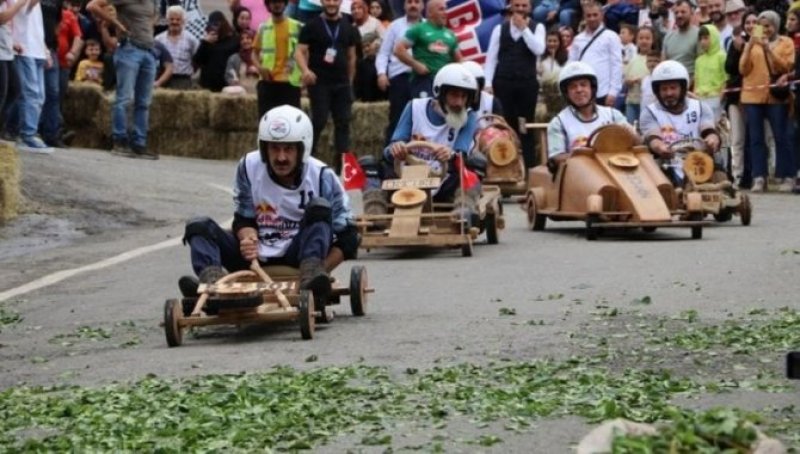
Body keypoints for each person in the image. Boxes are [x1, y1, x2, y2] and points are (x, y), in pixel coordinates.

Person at [178, 104, 359, 307]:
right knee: (198, 226)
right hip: (254, 259)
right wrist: (247, 238)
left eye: (288, 149)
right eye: (274, 148)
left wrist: (321, 272)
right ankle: (213, 286)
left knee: (319, 208)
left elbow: (349, 237)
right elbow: (243, 218)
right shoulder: (248, 167)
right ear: (264, 148)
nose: (281, 157)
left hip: (298, 257)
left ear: (302, 148)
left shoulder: (321, 176)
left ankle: (311, 277)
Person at [376, 63, 481, 222]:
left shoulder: (469, 117)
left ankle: (462, 212)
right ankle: (375, 214)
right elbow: (391, 148)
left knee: (474, 167)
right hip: (405, 180)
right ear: (440, 92)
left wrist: (451, 154)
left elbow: (462, 152)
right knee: (370, 165)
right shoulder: (414, 107)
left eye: (463, 97)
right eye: (454, 95)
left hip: (444, 182)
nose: (459, 103)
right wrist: (396, 149)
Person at [87, 0, 158, 159]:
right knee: (125, 98)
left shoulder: (153, 2)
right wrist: (115, 23)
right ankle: (120, 141)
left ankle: (139, 143)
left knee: (144, 102)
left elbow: (153, 18)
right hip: (129, 48)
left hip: (148, 51)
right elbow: (92, 5)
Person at [295, 0, 358, 169]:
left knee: (343, 122)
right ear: (322, 2)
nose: (331, 3)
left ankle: (342, 164)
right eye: (327, 0)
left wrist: (349, 81)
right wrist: (305, 71)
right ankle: (307, 157)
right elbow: (299, 52)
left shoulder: (348, 26)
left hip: (342, 83)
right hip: (320, 83)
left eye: (334, 0)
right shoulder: (311, 25)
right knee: (319, 120)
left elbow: (352, 56)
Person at [739, 10, 795, 192]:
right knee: (756, 139)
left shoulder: (785, 42)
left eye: (768, 26)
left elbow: (786, 66)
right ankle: (759, 177)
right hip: (752, 97)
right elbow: (743, 69)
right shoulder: (753, 44)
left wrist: (768, 48)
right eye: (761, 26)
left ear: (776, 26)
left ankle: (787, 176)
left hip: (775, 97)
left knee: (781, 137)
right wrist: (748, 46)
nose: (765, 30)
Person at [639, 60, 721, 186]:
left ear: (682, 88)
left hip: (698, 160)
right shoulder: (649, 112)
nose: (669, 93)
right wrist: (660, 147)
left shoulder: (701, 107)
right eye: (664, 89)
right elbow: (653, 138)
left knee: (721, 175)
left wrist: (712, 139)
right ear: (657, 91)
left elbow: (708, 129)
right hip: (667, 163)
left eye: (673, 88)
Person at [484, 0, 545, 168]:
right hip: (504, 83)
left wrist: (524, 29)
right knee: (506, 125)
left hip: (527, 84)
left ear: (530, 8)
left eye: (524, 6)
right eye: (517, 5)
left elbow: (538, 49)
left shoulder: (537, 27)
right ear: (511, 7)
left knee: (526, 125)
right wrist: (488, 83)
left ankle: (530, 167)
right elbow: (491, 58)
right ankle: (507, 167)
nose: (520, 9)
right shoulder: (500, 28)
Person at [546, 61, 629, 166]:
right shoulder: (559, 122)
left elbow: (635, 143)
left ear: (592, 88)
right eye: (573, 87)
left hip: (616, 171)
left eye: (583, 85)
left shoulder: (613, 115)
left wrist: (630, 133)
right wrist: (590, 154)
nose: (579, 90)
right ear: (566, 93)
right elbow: (556, 157)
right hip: (579, 176)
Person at [375, 0, 422, 144]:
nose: (413, 5)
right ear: (404, 6)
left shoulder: (429, 27)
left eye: (416, 2)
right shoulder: (395, 26)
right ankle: (389, 159)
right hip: (400, 79)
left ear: (422, 6)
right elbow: (383, 53)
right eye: (409, 2)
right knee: (397, 119)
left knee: (421, 120)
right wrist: (381, 73)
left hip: (422, 79)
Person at [394, 0, 461, 99]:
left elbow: (459, 59)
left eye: (445, 9)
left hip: (445, 81)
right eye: (441, 9)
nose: (445, 12)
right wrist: (415, 64)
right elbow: (398, 49)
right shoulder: (418, 29)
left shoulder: (450, 34)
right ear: (430, 12)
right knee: (424, 109)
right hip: (424, 80)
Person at [10, 0, 52, 153]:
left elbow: (37, 26)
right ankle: (27, 134)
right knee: (30, 93)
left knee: (40, 96)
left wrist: (45, 49)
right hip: (24, 49)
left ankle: (28, 132)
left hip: (37, 50)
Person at [253, 0, 303, 117]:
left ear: (285, 3)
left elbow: (306, 52)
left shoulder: (298, 26)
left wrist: (304, 72)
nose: (277, 4)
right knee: (266, 124)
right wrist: (260, 68)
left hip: (290, 83)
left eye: (280, 1)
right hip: (268, 82)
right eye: (273, 1)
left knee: (290, 125)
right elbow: (254, 53)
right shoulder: (263, 27)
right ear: (268, 5)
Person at [568, 1, 622, 107]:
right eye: (588, 15)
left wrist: (613, 92)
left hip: (604, 92)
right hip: (582, 92)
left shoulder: (611, 36)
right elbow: (571, 65)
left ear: (601, 15)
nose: (592, 18)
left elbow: (617, 65)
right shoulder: (578, 39)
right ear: (584, 17)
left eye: (595, 15)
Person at [724, 9, 756, 189]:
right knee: (737, 139)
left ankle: (755, 174)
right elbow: (729, 68)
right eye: (747, 23)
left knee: (756, 139)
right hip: (736, 98)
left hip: (756, 98)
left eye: (754, 22)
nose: (750, 26)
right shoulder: (736, 43)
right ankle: (737, 175)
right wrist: (737, 50)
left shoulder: (761, 44)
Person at [155, 5, 200, 90]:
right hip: (162, 80)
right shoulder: (159, 39)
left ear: (183, 21)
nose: (174, 22)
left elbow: (197, 60)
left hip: (183, 81)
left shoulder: (191, 39)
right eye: (171, 19)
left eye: (178, 19)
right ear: (167, 20)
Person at [194, 11, 240, 92]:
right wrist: (205, 43)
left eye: (217, 24)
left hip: (226, 83)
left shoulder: (233, 39)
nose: (215, 28)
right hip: (207, 84)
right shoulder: (207, 40)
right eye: (213, 25)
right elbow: (197, 60)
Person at [0, 0, 26, 143]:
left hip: (6, 52)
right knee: (2, 93)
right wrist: (18, 5)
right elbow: (2, 19)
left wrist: (12, 44)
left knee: (15, 89)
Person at [351, 0, 385, 101]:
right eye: (353, 9)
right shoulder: (352, 27)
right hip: (359, 61)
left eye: (359, 8)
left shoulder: (375, 23)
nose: (356, 11)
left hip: (374, 61)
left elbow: (385, 39)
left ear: (365, 9)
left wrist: (375, 45)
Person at [694, 24, 727, 122]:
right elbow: (697, 80)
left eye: (706, 38)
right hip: (700, 99)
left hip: (715, 98)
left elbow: (725, 80)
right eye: (700, 39)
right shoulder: (699, 60)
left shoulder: (721, 56)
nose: (702, 42)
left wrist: (719, 101)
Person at [623, 25, 656, 125]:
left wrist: (644, 82)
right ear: (636, 40)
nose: (644, 41)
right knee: (631, 129)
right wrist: (629, 82)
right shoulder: (632, 60)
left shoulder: (654, 59)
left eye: (647, 38)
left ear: (652, 40)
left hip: (649, 103)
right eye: (641, 38)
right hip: (632, 101)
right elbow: (625, 81)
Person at [662, 0, 698, 76]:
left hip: (692, 83)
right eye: (676, 13)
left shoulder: (698, 34)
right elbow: (663, 64)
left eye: (683, 12)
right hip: (671, 81)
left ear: (691, 13)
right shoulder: (668, 37)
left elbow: (702, 64)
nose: (679, 15)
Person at [225, 29, 259, 93]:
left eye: (248, 38)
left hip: (259, 95)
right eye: (242, 39)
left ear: (254, 40)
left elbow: (269, 76)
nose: (245, 41)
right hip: (241, 96)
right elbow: (228, 76)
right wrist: (233, 81)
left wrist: (258, 71)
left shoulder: (261, 57)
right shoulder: (234, 58)